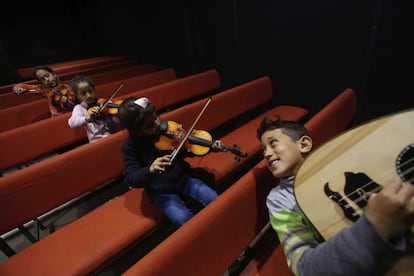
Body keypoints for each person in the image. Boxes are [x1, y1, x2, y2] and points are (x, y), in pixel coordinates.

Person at [257, 116, 414, 276]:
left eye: (273, 143)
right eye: (263, 150)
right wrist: (377, 227)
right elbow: (303, 267)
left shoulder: (342, 160)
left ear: (303, 144)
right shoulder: (280, 199)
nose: (267, 154)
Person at [118, 96, 224, 228]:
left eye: (156, 117)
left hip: (183, 179)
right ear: (135, 130)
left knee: (214, 198)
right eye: (150, 125)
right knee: (182, 218)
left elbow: (187, 149)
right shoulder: (130, 147)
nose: (157, 124)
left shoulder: (168, 131)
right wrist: (150, 169)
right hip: (161, 190)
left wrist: (210, 147)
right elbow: (131, 177)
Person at [68, 75, 122, 143]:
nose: (88, 95)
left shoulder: (103, 102)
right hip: (98, 142)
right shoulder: (80, 108)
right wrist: (87, 119)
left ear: (94, 89)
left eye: (90, 91)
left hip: (114, 136)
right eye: (83, 93)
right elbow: (72, 123)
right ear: (78, 95)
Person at [13, 65, 78, 116]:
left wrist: (65, 102)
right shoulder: (44, 89)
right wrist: (17, 89)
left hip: (71, 116)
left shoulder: (68, 88)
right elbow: (21, 86)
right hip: (55, 119)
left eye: (47, 76)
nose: (47, 79)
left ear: (54, 74)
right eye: (43, 79)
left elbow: (72, 104)